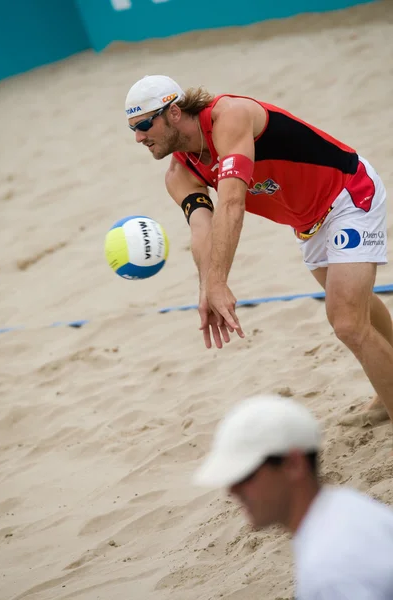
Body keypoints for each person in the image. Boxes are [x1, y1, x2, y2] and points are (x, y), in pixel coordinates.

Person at [124, 75, 393, 423]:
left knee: (345, 321)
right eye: (132, 128)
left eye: (144, 124)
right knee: (358, 309)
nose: (138, 137)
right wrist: (208, 286)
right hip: (307, 223)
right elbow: (202, 230)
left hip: (348, 194)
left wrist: (221, 281)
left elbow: (232, 203)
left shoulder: (229, 116)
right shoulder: (178, 174)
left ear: (174, 112)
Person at [193, 394, 393, 599]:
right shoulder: (347, 506)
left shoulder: (331, 571)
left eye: (245, 475)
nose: (232, 491)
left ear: (293, 464)